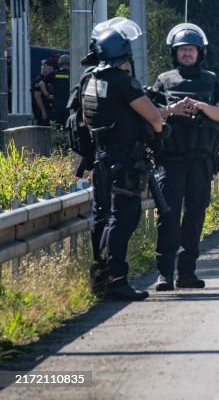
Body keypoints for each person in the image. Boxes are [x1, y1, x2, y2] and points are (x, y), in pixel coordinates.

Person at [80, 19, 164, 300]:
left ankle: (100, 277)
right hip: (125, 160)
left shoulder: (90, 80)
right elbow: (154, 118)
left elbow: (86, 119)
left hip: (101, 158)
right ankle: (116, 278)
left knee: (103, 217)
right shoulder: (121, 82)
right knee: (124, 217)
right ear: (123, 52)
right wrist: (157, 133)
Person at [151, 23, 219, 291]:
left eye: (191, 49)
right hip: (170, 161)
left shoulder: (211, 81)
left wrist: (201, 106)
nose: (186, 53)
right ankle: (164, 274)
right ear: (175, 53)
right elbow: (152, 114)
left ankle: (187, 272)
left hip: (200, 161)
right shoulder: (163, 80)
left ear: (199, 52)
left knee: (195, 217)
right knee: (168, 217)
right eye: (182, 49)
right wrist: (172, 110)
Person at [46, 54, 72, 125]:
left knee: (57, 125)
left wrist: (47, 95)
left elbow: (41, 83)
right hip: (68, 104)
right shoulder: (72, 74)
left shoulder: (54, 73)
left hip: (56, 104)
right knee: (67, 125)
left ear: (60, 63)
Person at [32, 59, 56, 125]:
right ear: (43, 67)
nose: (51, 71)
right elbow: (37, 96)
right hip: (41, 110)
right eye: (49, 69)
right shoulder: (39, 79)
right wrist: (43, 111)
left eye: (52, 69)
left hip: (48, 109)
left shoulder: (48, 79)